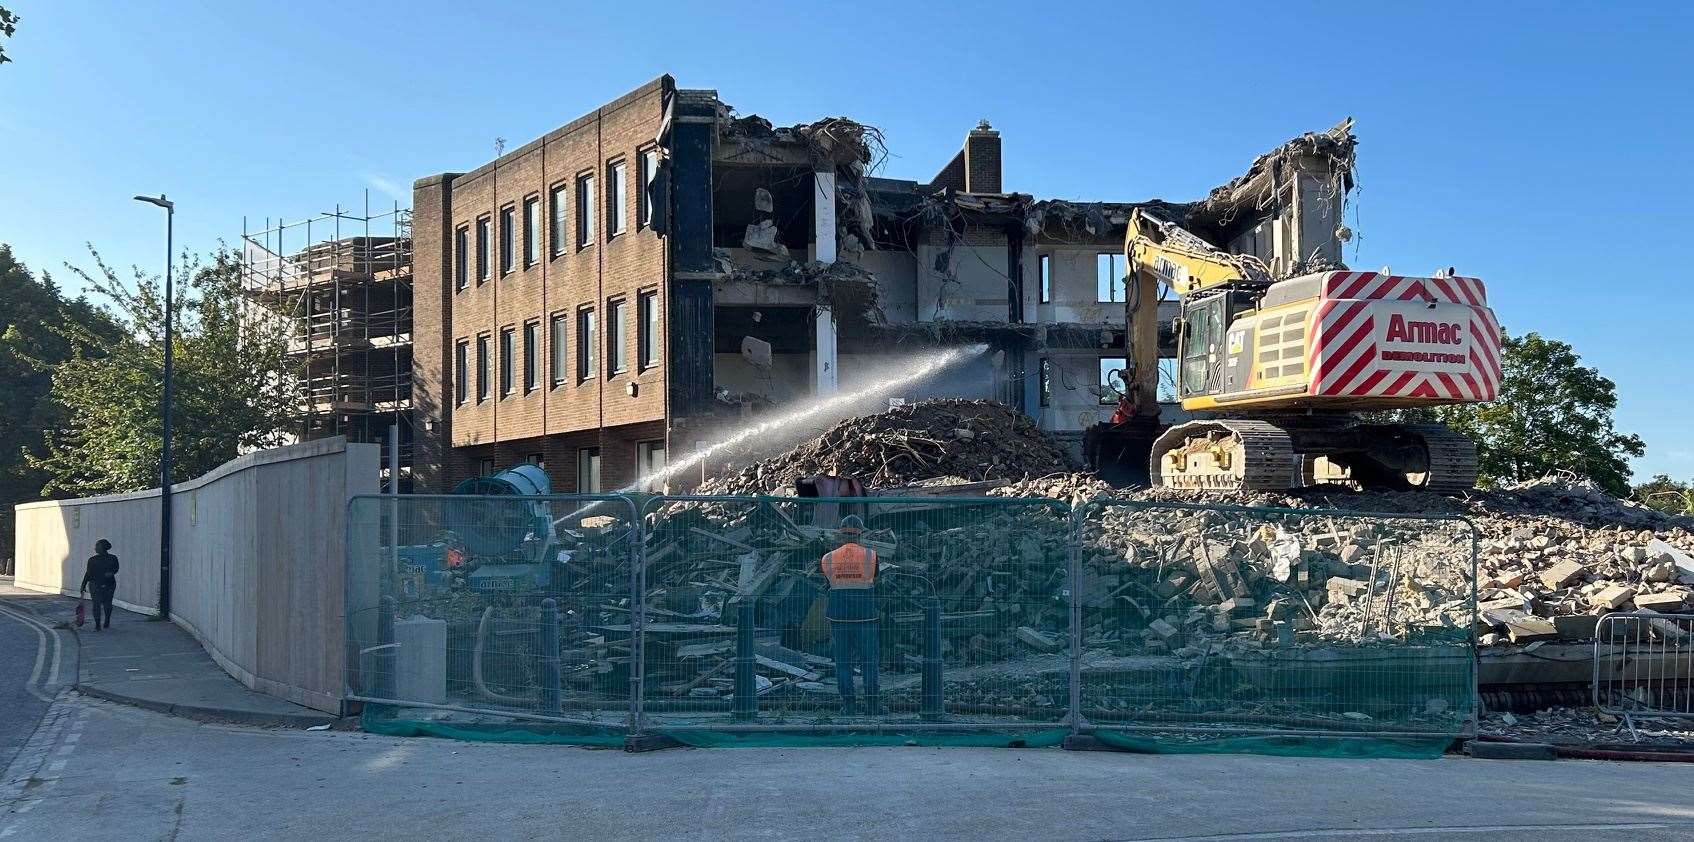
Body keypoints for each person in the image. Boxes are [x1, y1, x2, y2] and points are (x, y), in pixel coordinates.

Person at [820, 515, 880, 715]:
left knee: (843, 662)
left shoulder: (828, 558)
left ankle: (849, 706)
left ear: (841, 534)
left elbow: (828, 582)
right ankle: (872, 706)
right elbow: (874, 579)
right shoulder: (870, 556)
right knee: (869, 661)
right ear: (860, 534)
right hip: (866, 616)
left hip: (839, 616)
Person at [80, 538, 120, 631]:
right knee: (100, 603)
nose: (95, 548)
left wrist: (112, 572)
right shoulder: (94, 560)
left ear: (103, 547)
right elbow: (88, 573)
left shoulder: (109, 558)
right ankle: (100, 623)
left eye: (97, 545)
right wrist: (83, 585)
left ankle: (104, 621)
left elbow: (116, 568)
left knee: (103, 604)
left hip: (103, 583)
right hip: (99, 584)